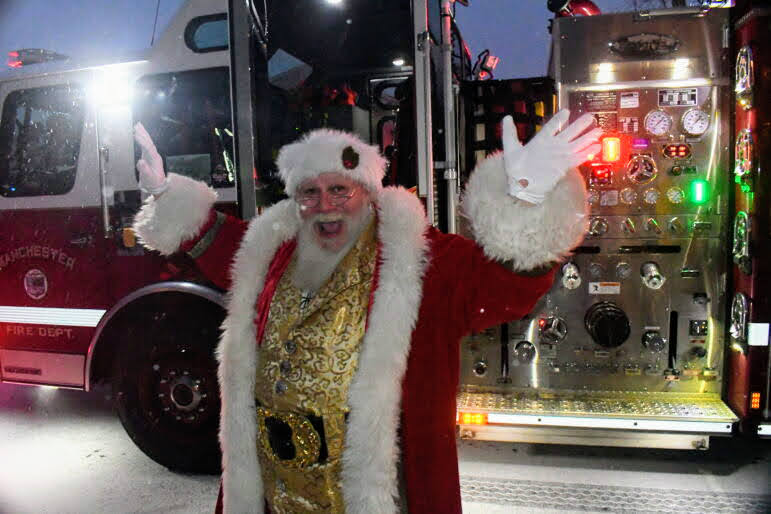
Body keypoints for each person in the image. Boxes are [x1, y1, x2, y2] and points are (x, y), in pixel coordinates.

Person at [132, 110, 601, 514]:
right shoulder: (274, 250)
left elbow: (502, 287)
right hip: (276, 489)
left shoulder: (418, 258)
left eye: (340, 189)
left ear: (369, 192)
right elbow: (220, 241)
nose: (325, 206)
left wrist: (524, 202)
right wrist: (166, 195)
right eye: (310, 192)